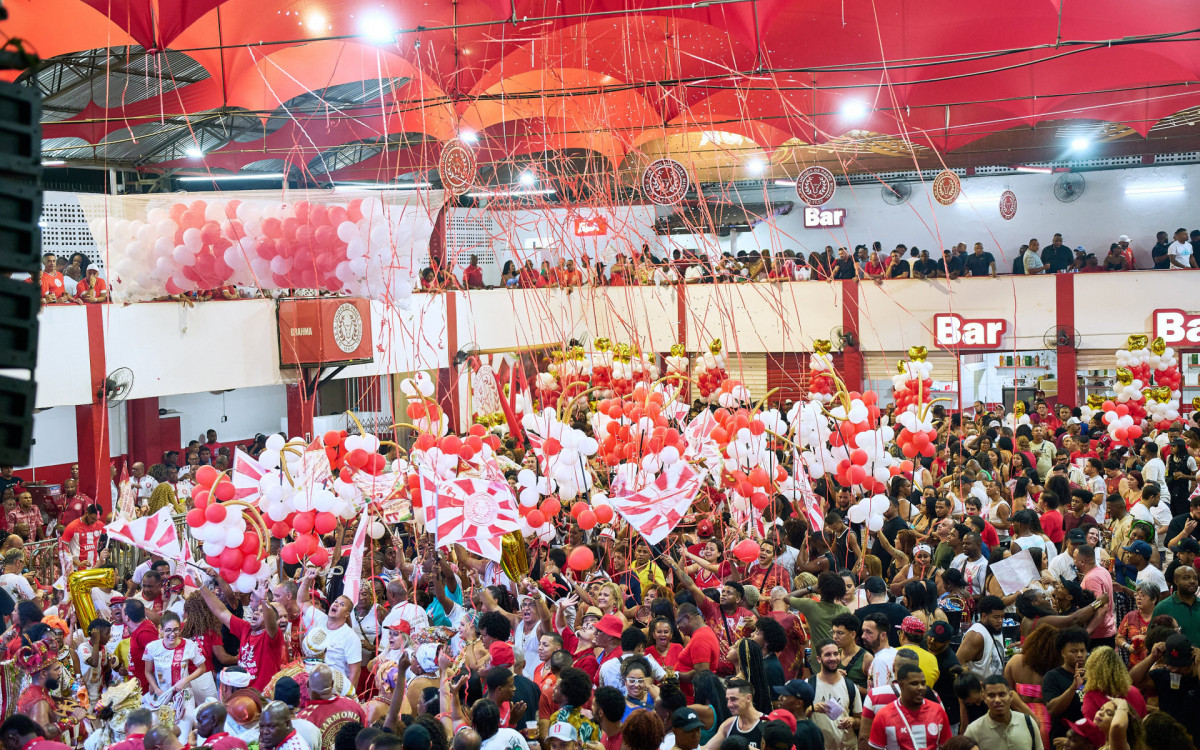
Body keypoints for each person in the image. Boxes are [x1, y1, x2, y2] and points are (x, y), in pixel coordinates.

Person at [199, 583, 284, 692]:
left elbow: (271, 625)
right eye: (256, 610)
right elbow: (220, 611)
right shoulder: (245, 628)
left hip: (263, 698)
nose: (257, 613)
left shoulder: (272, 637)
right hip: (242, 695)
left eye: (261, 611)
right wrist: (200, 585)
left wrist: (264, 600)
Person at [143, 611, 207, 737]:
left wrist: (185, 680)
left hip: (185, 696)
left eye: (176, 630)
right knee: (163, 737)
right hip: (162, 697)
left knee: (183, 736)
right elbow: (148, 672)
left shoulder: (190, 645)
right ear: (160, 630)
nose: (172, 634)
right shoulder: (152, 647)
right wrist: (156, 689)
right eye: (168, 630)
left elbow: (202, 668)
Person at [1128, 633, 1200, 742]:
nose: (1175, 669)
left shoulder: (1196, 676)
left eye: (1180, 665)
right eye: (1171, 664)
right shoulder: (1163, 675)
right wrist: (1152, 657)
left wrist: (1199, 663)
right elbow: (1133, 680)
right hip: (1167, 738)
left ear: (1191, 659)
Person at [867, 663, 951, 750]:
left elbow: (946, 746)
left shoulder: (938, 711)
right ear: (901, 685)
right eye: (914, 684)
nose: (921, 688)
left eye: (923, 683)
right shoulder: (883, 715)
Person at [295, 664, 368, 749]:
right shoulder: (354, 706)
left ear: (307, 685)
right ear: (332, 683)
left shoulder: (305, 719)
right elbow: (365, 738)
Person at [963, 676, 1043, 750]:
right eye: (991, 695)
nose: (997, 700)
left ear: (1011, 696)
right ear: (984, 698)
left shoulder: (1028, 723)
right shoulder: (974, 731)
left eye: (1002, 694)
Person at [809, 639, 862, 750]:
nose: (833, 658)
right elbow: (797, 719)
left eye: (836, 654)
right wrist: (811, 709)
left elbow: (860, 721)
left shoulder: (850, 686)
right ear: (819, 659)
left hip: (848, 746)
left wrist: (852, 721)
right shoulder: (809, 685)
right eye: (827, 655)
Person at [1042, 627, 1088, 742]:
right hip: (1063, 738)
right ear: (1063, 653)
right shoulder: (1052, 676)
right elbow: (1052, 709)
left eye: (1082, 650)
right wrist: (1073, 687)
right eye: (1073, 651)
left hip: (1087, 740)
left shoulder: (1092, 674)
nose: (1079, 655)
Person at [1074, 544, 1117, 648]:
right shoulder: (1103, 570)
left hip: (1098, 635)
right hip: (1107, 629)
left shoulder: (1091, 578)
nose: (1073, 561)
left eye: (1075, 558)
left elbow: (1102, 608)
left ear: (1082, 562)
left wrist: (1087, 632)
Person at [700, 679, 762, 750]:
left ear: (748, 698)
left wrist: (745, 747)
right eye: (728, 699)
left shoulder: (766, 723)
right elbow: (706, 748)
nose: (729, 705)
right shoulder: (728, 725)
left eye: (733, 699)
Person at [957, 596, 1006, 679]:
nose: (1000, 621)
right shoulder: (976, 635)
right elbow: (958, 662)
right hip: (981, 689)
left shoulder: (995, 628)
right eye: (996, 617)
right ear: (984, 616)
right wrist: (974, 684)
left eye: (1002, 617)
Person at [1153, 565, 1200, 646]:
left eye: (1195, 578)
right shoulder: (1163, 607)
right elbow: (1153, 638)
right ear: (1176, 581)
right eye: (1186, 578)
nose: (1192, 581)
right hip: (1174, 657)